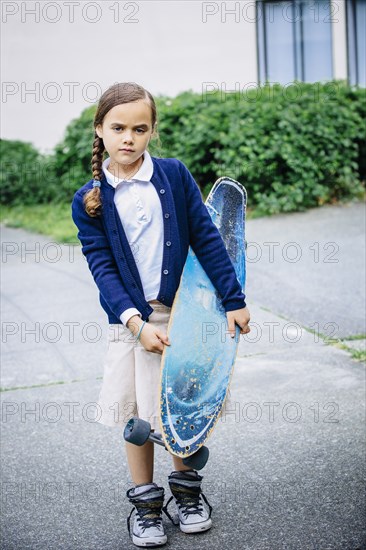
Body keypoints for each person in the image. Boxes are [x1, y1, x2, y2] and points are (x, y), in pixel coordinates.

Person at [71, 82, 250, 548]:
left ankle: (187, 495)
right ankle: (146, 505)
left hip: (183, 316)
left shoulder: (172, 175)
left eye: (140, 128)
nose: (128, 137)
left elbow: (209, 240)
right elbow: (102, 267)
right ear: (100, 129)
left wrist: (233, 298)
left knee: (181, 407)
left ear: (151, 131)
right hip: (130, 322)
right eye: (118, 127)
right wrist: (135, 322)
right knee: (138, 416)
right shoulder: (88, 199)